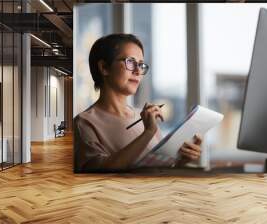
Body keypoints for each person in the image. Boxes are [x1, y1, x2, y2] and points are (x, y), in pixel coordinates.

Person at [74, 33, 202, 172]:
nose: (138, 71)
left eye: (141, 65)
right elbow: (99, 172)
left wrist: (180, 162)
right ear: (104, 67)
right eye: (130, 62)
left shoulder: (144, 117)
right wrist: (148, 133)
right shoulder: (84, 123)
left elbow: (158, 170)